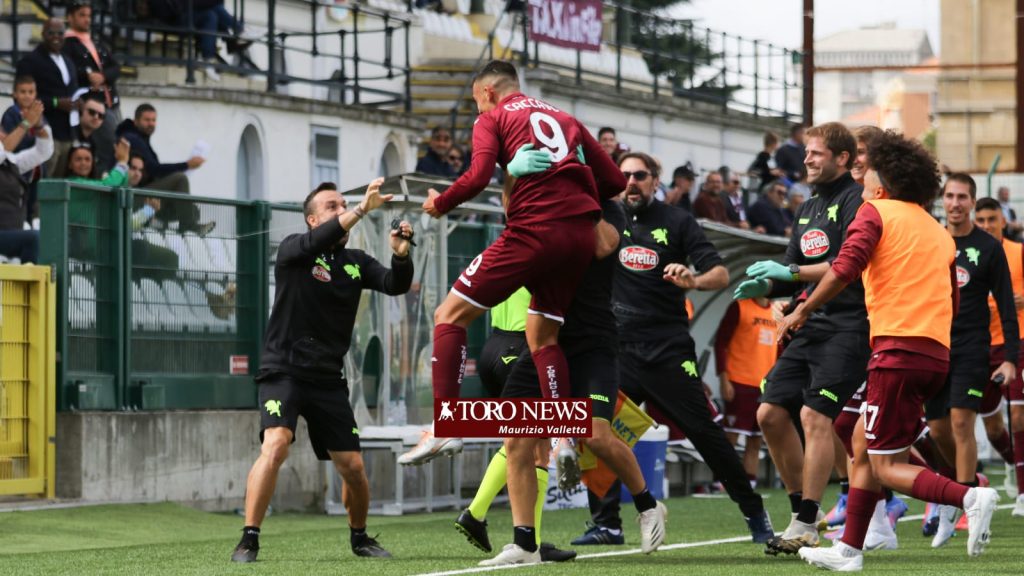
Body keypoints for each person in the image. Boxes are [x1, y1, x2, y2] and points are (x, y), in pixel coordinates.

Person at [783, 130, 1001, 572]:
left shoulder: (874, 212)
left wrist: (801, 310)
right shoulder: (939, 233)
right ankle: (849, 551)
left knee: (883, 467)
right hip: (935, 356)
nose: (860, 177)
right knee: (862, 444)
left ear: (883, 184)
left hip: (895, 353)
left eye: (867, 170)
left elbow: (845, 267)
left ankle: (969, 495)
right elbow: (953, 303)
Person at [400, 59, 625, 463]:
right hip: (578, 238)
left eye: (476, 103)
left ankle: (445, 426)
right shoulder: (564, 116)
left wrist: (441, 203)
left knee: (448, 315)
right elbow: (615, 182)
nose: (477, 112)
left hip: (534, 230)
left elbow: (476, 175)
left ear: (487, 92)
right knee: (542, 336)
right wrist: (572, 168)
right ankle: (563, 439)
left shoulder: (495, 117)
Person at [480, 191, 668, 565]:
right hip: (545, 341)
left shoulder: (604, 206)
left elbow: (603, 245)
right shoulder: (533, 215)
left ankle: (649, 506)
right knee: (516, 439)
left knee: (596, 435)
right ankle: (524, 544)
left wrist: (578, 197)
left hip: (593, 343)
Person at [231, 179, 413, 563]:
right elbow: (324, 236)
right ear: (312, 219)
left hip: (328, 379)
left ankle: (360, 537)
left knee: (353, 466)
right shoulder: (293, 250)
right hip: (283, 371)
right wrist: (361, 209)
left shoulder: (356, 263)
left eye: (343, 204)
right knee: (276, 444)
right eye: (332, 206)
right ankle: (249, 539)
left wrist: (400, 255)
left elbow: (395, 285)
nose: (341, 209)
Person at [606, 151, 773, 544]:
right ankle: (606, 524)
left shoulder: (678, 222)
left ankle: (753, 511)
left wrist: (693, 280)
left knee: (706, 435)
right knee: (598, 432)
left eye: (640, 175)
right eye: (624, 175)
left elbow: (719, 272)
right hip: (619, 350)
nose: (631, 181)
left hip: (667, 350)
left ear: (655, 179)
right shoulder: (606, 218)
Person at [736, 122, 868, 555]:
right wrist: (771, 291)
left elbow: (846, 266)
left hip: (850, 326)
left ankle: (807, 522)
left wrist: (790, 278)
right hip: (809, 324)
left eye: (815, 153)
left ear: (843, 158)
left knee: (815, 416)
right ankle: (800, 511)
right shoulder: (808, 207)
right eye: (807, 153)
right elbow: (791, 270)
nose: (806, 160)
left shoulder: (858, 202)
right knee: (770, 414)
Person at [923, 173, 1019, 547]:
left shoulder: (988, 247)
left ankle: (967, 508)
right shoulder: (931, 240)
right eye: (949, 196)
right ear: (942, 201)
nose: (956, 203)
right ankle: (958, 493)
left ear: (973, 203)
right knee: (937, 430)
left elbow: (1007, 306)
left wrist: (1010, 357)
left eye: (963, 197)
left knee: (962, 423)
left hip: (972, 348)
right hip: (933, 345)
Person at [974, 197, 1024, 516]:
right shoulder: (967, 253)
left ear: (1003, 222)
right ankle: (1012, 464)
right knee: (993, 429)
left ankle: (1022, 492)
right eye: (982, 220)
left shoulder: (1018, 252)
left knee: (1018, 417)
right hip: (979, 347)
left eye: (993, 219)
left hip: (1016, 341)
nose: (988, 225)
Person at [117, 103, 213, 235]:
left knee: (192, 209)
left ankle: (162, 221)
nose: (151, 123)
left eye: (153, 120)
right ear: (136, 121)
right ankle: (188, 226)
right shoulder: (132, 138)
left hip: (146, 199)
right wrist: (187, 165)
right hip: (132, 196)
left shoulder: (142, 140)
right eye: (147, 120)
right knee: (180, 179)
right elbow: (155, 170)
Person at [715, 297, 778, 485]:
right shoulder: (739, 307)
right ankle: (724, 480)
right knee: (731, 435)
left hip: (765, 384)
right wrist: (723, 378)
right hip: (738, 381)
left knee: (756, 438)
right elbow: (721, 343)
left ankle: (750, 481)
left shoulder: (778, 310)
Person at [15, 18, 79, 179]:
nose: (56, 37)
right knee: (42, 185)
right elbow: (24, 98)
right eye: (51, 33)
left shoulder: (68, 61)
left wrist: (78, 102)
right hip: (45, 131)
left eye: (60, 33)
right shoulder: (30, 61)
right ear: (43, 34)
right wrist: (57, 103)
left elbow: (73, 91)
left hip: (68, 134)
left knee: (59, 187)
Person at [63, 0, 121, 173]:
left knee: (112, 146)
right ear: (70, 18)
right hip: (91, 106)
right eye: (82, 15)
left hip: (110, 103)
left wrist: (103, 76)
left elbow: (116, 68)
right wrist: (87, 76)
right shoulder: (68, 44)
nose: (87, 20)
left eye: (89, 15)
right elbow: (68, 69)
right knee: (102, 148)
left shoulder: (96, 43)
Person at [0, 100, 49, 263]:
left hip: (11, 233)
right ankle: (30, 288)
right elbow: (2, 150)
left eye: (2, 131)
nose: (2, 134)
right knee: (33, 239)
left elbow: (43, 152)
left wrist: (39, 125)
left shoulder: (12, 162)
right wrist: (26, 123)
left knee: (46, 241)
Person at [70, 93, 106, 176]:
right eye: (92, 112)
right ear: (81, 111)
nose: (96, 117)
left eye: (101, 115)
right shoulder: (67, 134)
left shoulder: (98, 143)